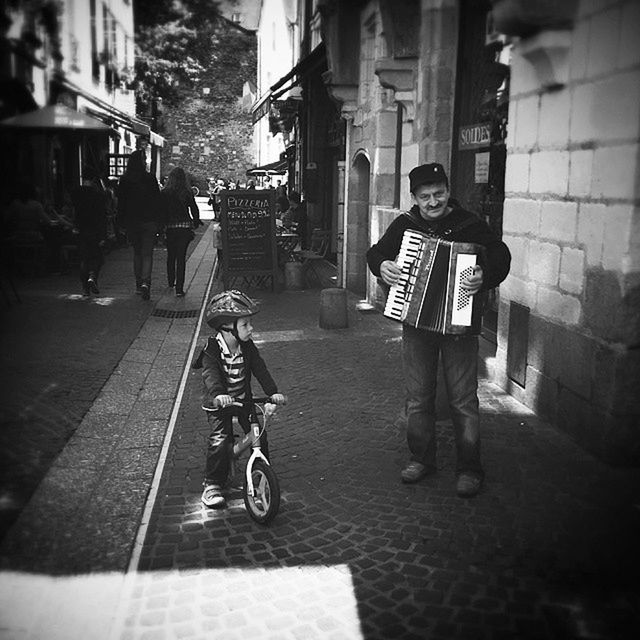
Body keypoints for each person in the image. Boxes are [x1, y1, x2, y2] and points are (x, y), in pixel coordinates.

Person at [366, 163, 511, 497]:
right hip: (417, 323)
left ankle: (470, 468)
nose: (433, 202)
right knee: (419, 397)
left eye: (439, 194)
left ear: (448, 190)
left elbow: (501, 254)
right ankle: (421, 459)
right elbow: (377, 253)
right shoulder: (405, 224)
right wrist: (382, 266)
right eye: (425, 196)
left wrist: (484, 275)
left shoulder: (469, 224)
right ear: (414, 197)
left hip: (459, 324)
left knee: (463, 399)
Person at [194, 290, 286, 508]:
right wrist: (218, 395)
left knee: (259, 435)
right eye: (245, 325)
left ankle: (262, 472)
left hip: (244, 400)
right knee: (220, 440)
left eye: (249, 324)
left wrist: (273, 393)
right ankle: (212, 484)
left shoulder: (247, 346)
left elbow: (260, 369)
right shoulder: (212, 349)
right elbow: (211, 375)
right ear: (227, 328)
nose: (250, 329)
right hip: (220, 405)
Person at [116, 149, 161, 300]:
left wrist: (120, 222)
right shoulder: (150, 179)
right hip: (149, 221)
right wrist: (159, 222)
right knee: (147, 254)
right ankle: (146, 283)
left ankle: (138, 284)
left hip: (132, 221)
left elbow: (121, 203)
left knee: (137, 253)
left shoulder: (126, 180)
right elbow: (157, 201)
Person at [159, 167, 201, 297]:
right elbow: (194, 208)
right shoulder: (187, 192)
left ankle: (171, 281)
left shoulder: (165, 192)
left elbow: (161, 212)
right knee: (181, 257)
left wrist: (161, 228)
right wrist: (195, 222)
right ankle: (179, 288)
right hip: (184, 227)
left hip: (170, 227)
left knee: (171, 256)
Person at [71, 176, 107, 296]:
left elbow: (74, 211)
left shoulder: (77, 194)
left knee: (84, 258)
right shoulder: (98, 196)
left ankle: (85, 288)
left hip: (81, 229)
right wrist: (103, 235)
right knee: (97, 257)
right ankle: (92, 275)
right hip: (95, 230)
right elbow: (102, 216)